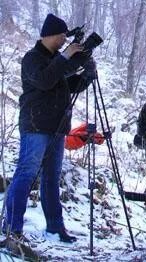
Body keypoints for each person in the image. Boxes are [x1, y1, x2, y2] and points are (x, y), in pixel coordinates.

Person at [2, 13, 96, 244]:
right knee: (26, 174)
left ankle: (55, 228)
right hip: (36, 125)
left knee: (51, 179)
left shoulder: (57, 59)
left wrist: (86, 76)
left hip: (57, 127)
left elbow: (66, 86)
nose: (64, 41)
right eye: (61, 37)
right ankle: (11, 227)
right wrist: (65, 57)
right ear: (50, 35)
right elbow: (44, 81)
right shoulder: (32, 58)